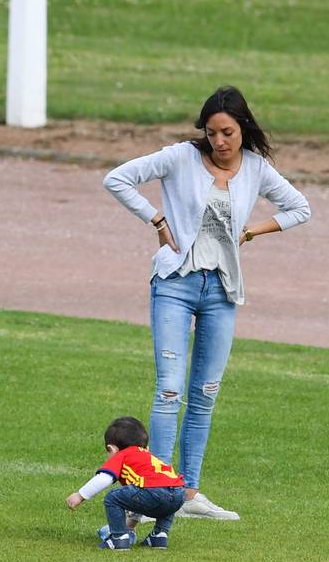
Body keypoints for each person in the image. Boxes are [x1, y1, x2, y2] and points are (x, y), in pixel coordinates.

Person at [102, 86, 311, 520]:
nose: (219, 141)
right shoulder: (179, 157)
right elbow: (117, 178)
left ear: (243, 129)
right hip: (175, 284)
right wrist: (156, 219)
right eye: (212, 132)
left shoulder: (255, 168)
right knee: (169, 389)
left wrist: (252, 231)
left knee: (204, 394)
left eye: (228, 132)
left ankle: (189, 495)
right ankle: (154, 493)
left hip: (221, 290)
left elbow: (299, 208)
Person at [66, 417, 185, 550]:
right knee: (167, 498)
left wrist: (80, 495)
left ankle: (118, 538)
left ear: (112, 449)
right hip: (179, 492)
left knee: (113, 497)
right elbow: (140, 495)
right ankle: (159, 536)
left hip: (153, 491)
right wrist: (131, 523)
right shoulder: (148, 456)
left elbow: (104, 478)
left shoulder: (122, 455)